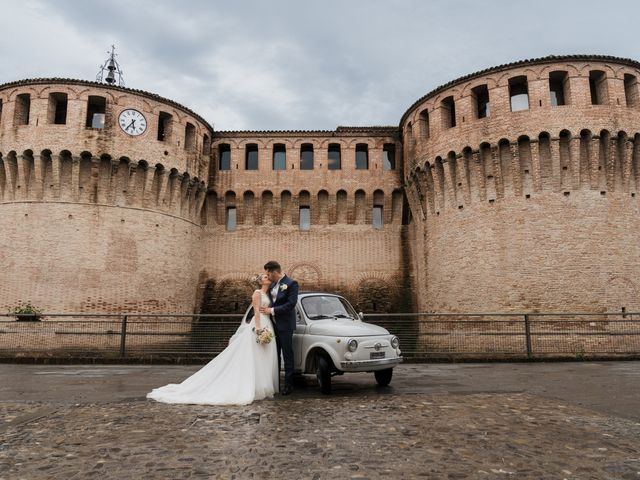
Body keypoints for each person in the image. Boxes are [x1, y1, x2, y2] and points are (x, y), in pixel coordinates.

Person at [147, 273, 278, 405]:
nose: (268, 278)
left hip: (267, 322)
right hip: (259, 324)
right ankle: (250, 385)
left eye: (268, 277)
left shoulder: (268, 294)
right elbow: (255, 311)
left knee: (261, 355)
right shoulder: (257, 293)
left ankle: (261, 385)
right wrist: (258, 328)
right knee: (253, 355)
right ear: (261, 282)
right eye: (266, 277)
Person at [259, 260, 299, 395]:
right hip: (271, 326)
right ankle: (275, 384)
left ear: (275, 272)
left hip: (285, 325)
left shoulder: (291, 284)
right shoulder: (271, 284)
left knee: (287, 354)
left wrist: (272, 311)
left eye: (268, 274)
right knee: (274, 355)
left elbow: (291, 304)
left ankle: (289, 385)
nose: (267, 277)